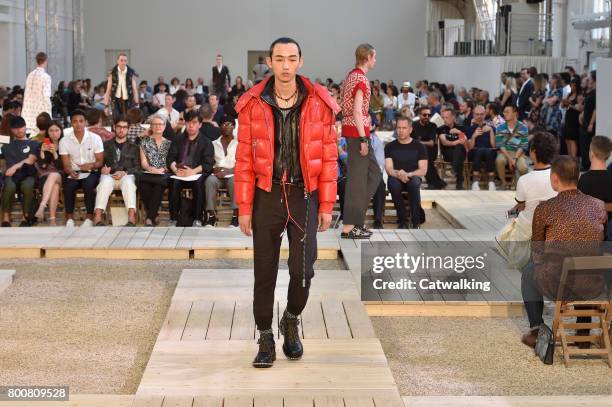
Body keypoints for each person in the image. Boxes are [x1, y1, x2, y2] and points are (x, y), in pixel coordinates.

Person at [234, 37, 339, 368]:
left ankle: (291, 319)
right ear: (269, 61)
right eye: (279, 59)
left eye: (291, 59)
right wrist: (245, 208)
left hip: (303, 196)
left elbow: (329, 157)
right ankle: (265, 337)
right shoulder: (253, 103)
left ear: (300, 62)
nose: (285, 65)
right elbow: (244, 162)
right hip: (267, 194)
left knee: (303, 271)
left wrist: (326, 205)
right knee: (263, 271)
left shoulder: (318, 103)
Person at [521, 156, 607, 347]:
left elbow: (537, 250)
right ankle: (583, 333)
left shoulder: (545, 208)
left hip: (560, 284)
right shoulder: (598, 206)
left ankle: (537, 330)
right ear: (578, 177)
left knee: (528, 271)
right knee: (588, 259)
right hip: (594, 285)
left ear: (554, 179)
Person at [339, 44, 380, 239]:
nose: (375, 60)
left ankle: (355, 221)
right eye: (374, 57)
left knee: (373, 175)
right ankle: (349, 225)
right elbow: (357, 110)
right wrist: (364, 138)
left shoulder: (351, 76)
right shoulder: (361, 79)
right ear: (369, 57)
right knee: (357, 180)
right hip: (358, 133)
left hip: (355, 131)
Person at [167, 110, 215, 227]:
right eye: (188, 122)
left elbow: (208, 163)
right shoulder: (178, 140)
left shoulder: (206, 142)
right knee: (173, 182)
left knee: (199, 183)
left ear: (200, 124)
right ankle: (173, 218)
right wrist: (175, 170)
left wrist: (192, 172)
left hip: (196, 174)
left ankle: (197, 218)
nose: (191, 125)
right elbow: (170, 158)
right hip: (179, 173)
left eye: (194, 122)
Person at [93, 115, 140, 226]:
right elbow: (99, 163)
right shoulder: (105, 145)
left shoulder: (134, 147)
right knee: (104, 182)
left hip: (127, 175)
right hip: (110, 175)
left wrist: (125, 172)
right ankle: (98, 216)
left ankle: (131, 216)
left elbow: (138, 168)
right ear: (114, 127)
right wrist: (102, 169)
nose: (121, 129)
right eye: (119, 126)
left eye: (124, 127)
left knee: (128, 182)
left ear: (128, 129)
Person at [59, 109, 103, 227]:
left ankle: (89, 217)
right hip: (74, 172)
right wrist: (70, 171)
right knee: (69, 185)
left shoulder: (95, 138)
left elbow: (100, 161)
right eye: (75, 121)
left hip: (91, 171)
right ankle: (69, 218)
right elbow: (66, 163)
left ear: (85, 122)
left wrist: (92, 165)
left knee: (88, 185)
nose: (78, 124)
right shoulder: (64, 141)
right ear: (71, 123)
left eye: (81, 121)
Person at [384, 117, 427, 229]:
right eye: (399, 128)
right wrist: (399, 174)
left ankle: (415, 221)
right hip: (395, 176)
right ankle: (402, 220)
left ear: (410, 129)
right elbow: (389, 168)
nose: (401, 130)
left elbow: (423, 170)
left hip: (413, 176)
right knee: (393, 185)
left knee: (414, 184)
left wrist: (409, 174)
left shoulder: (419, 146)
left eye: (404, 128)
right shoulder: (389, 146)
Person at [0, 116, 40, 227]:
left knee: (27, 185)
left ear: (25, 126)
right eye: (16, 128)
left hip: (27, 174)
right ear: (11, 130)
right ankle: (6, 217)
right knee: (9, 186)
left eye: (21, 127)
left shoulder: (34, 143)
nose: (19, 130)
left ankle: (25, 216)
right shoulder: (6, 144)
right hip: (10, 176)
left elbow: (31, 160)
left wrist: (14, 167)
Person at [205, 115, 239, 227]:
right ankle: (211, 216)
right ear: (220, 127)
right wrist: (213, 169)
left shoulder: (239, 143)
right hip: (217, 175)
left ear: (233, 126)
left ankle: (236, 216)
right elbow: (208, 161)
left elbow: (243, 164)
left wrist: (228, 171)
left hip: (233, 173)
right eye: (223, 124)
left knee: (235, 181)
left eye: (229, 124)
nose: (226, 127)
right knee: (209, 181)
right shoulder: (213, 143)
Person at [139, 114, 172, 226]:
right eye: (155, 124)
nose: (158, 126)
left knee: (158, 186)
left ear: (164, 126)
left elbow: (171, 161)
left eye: (160, 124)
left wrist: (164, 168)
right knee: (144, 186)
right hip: (149, 173)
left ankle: (149, 218)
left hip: (163, 173)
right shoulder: (144, 142)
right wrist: (150, 168)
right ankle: (154, 215)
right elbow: (143, 161)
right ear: (151, 126)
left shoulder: (169, 143)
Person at [578, 136, 612, 240]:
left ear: (591, 153)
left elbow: (579, 210)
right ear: (609, 155)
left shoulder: (583, 179)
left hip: (589, 235)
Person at [33, 120, 64, 225]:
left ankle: (42, 206)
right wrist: (42, 152)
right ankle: (52, 220)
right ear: (47, 132)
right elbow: (42, 166)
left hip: (61, 176)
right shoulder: (42, 144)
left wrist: (55, 153)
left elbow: (62, 167)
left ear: (61, 131)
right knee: (54, 186)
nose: (54, 133)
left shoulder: (65, 144)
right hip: (45, 178)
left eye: (56, 130)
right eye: (51, 131)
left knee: (54, 174)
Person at [495, 105, 529, 189]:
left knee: (523, 168)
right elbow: (501, 145)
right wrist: (510, 159)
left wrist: (515, 158)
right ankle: (504, 182)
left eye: (507, 112)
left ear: (515, 114)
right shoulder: (500, 127)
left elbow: (523, 145)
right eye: (504, 112)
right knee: (499, 161)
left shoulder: (523, 127)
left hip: (518, 153)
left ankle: (522, 186)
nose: (504, 114)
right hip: (505, 153)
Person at [412, 106, 445, 189]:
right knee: (424, 157)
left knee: (425, 156)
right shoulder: (414, 125)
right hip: (417, 151)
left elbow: (431, 143)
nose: (427, 117)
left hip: (431, 150)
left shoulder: (433, 126)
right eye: (424, 115)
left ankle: (433, 183)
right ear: (419, 115)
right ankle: (437, 182)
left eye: (429, 115)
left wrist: (418, 143)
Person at [466, 105, 496, 190]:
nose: (479, 116)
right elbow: (470, 147)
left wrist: (490, 131)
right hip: (474, 153)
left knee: (489, 151)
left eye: (481, 114)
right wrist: (474, 136)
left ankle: (491, 182)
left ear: (485, 114)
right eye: (477, 114)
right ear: (473, 115)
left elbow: (494, 146)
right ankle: (475, 182)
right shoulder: (469, 129)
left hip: (489, 153)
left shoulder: (492, 128)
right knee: (478, 151)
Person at [22, 52, 52, 135]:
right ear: (46, 61)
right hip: (40, 110)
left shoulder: (30, 75)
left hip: (28, 111)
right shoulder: (46, 77)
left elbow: (26, 93)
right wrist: (49, 111)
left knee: (31, 137)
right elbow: (46, 95)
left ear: (37, 61)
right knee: (42, 136)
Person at [438, 109, 466, 189]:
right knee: (459, 152)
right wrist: (456, 142)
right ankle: (459, 184)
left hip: (460, 153)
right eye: (443, 117)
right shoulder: (441, 129)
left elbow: (464, 142)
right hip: (447, 153)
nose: (444, 120)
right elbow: (445, 142)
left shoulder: (460, 128)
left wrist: (459, 132)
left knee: (459, 149)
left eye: (446, 117)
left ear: (453, 117)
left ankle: (454, 170)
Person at [579, 70, 596, 171]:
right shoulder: (590, 92)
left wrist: (591, 123)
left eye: (589, 79)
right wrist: (581, 115)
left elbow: (595, 109)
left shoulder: (595, 93)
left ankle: (587, 165)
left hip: (589, 123)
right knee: (584, 144)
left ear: (594, 80)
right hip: (585, 122)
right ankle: (585, 164)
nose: (588, 81)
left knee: (587, 145)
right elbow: (586, 107)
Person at [560, 77, 582, 158]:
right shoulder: (569, 94)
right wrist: (563, 102)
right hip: (568, 117)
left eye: (573, 86)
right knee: (567, 139)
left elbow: (580, 109)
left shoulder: (579, 95)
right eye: (571, 85)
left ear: (577, 86)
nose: (572, 87)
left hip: (574, 118)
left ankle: (574, 159)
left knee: (573, 140)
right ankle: (570, 158)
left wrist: (569, 104)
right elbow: (562, 106)